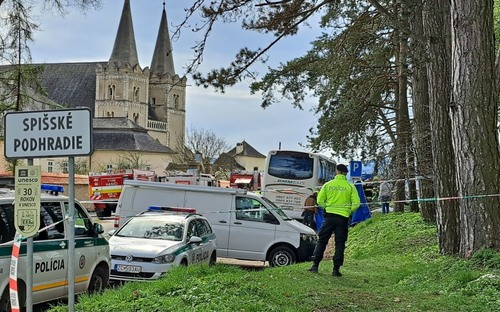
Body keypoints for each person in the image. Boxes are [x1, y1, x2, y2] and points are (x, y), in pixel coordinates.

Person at [308, 164, 361, 277]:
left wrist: (327, 208)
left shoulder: (328, 185)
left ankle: (315, 266)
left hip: (329, 216)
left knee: (322, 241)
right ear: (346, 173)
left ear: (336, 172)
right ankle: (336, 269)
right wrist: (348, 211)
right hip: (342, 218)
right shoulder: (350, 186)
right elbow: (356, 203)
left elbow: (320, 201)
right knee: (340, 243)